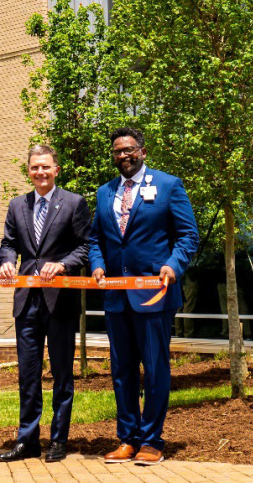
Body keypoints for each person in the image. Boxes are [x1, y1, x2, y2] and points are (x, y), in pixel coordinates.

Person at [89, 127, 198, 466]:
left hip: (154, 295)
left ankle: (152, 440)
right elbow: (96, 240)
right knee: (121, 371)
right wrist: (97, 266)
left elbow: (188, 235)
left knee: (153, 369)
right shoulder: (104, 192)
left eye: (129, 149)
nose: (123, 155)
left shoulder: (168, 185)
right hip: (116, 298)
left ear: (143, 151)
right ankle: (127, 438)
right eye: (117, 151)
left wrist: (173, 266)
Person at [0, 145, 91, 463]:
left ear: (56, 170)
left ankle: (58, 441)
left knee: (62, 374)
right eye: (34, 168)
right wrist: (8, 262)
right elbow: (8, 243)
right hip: (26, 302)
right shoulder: (17, 205)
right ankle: (28, 440)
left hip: (60, 301)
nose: (40, 172)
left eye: (45, 167)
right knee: (28, 374)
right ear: (29, 171)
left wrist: (63, 264)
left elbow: (84, 248)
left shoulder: (74, 203)